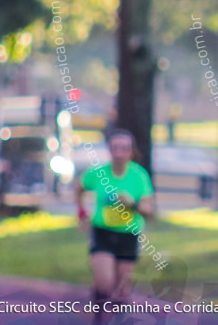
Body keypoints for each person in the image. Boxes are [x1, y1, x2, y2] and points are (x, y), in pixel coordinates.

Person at [75, 129, 155, 315]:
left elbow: (149, 211)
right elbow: (79, 187)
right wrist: (81, 212)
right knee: (104, 282)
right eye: (115, 148)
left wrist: (132, 203)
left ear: (131, 152)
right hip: (102, 232)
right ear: (109, 150)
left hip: (128, 235)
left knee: (122, 292)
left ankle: (118, 319)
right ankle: (99, 316)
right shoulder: (98, 173)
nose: (119, 153)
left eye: (124, 149)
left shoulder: (139, 176)